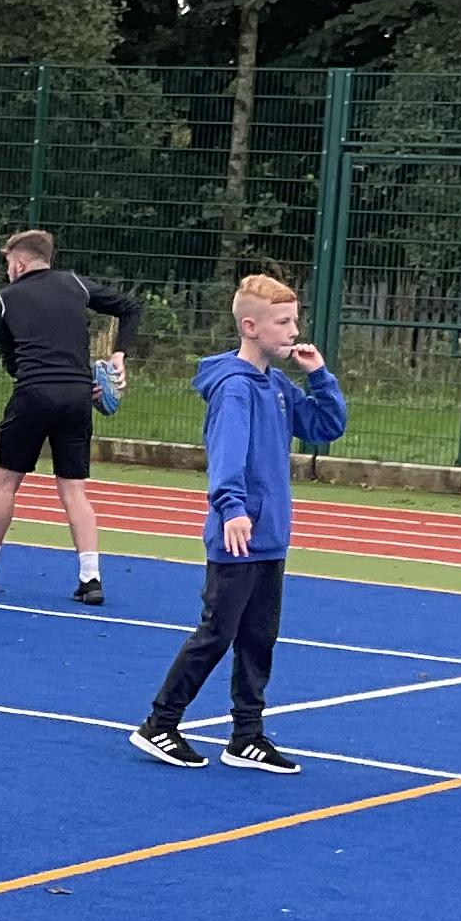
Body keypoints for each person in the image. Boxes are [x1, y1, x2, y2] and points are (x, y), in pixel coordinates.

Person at [134, 269, 347, 775]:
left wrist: (320, 376)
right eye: (283, 322)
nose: (294, 331)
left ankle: (246, 736)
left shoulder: (277, 385)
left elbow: (326, 425)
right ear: (251, 327)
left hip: (270, 535)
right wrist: (231, 508)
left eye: (294, 320)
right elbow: (226, 454)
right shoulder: (235, 389)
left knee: (259, 638)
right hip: (239, 534)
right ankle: (160, 723)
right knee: (218, 632)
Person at [0, 227, 144, 606]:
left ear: (19, 263)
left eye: (8, 263)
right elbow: (131, 307)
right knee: (74, 490)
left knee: (5, 484)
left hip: (34, 394)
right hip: (78, 396)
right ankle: (91, 579)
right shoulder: (75, 284)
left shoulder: (6, 299)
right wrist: (119, 354)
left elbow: (12, 363)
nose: (7, 270)